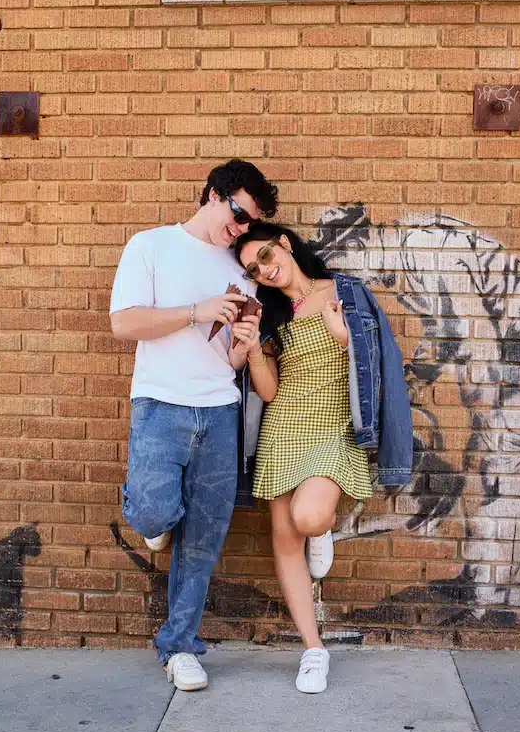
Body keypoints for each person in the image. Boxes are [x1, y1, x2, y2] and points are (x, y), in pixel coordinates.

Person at [109, 160, 278, 692]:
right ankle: (153, 512)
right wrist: (197, 310)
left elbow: (226, 361)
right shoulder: (150, 246)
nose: (242, 229)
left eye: (250, 223)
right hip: (161, 405)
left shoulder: (236, 268)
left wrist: (244, 346)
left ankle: (179, 645)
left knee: (204, 540)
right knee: (156, 508)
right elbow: (124, 323)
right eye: (239, 215)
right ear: (213, 194)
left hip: (220, 411)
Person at [231, 223, 412, 694]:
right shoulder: (272, 314)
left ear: (285, 245)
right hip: (284, 427)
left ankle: (322, 531)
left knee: (309, 517)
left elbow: (378, 364)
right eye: (254, 269)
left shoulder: (345, 293)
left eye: (266, 255)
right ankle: (314, 651)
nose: (265, 270)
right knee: (284, 540)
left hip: (334, 426)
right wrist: (252, 352)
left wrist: (344, 337)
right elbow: (269, 391)